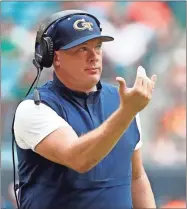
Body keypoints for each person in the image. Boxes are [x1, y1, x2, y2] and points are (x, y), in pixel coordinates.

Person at [13, 10, 157, 209]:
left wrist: (127, 110)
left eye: (97, 47)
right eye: (81, 49)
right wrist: (127, 112)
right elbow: (79, 159)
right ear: (55, 58)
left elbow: (137, 176)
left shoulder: (122, 100)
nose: (94, 56)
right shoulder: (33, 109)